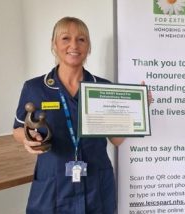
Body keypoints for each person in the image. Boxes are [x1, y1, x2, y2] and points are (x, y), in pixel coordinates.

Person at [13, 16, 131, 214]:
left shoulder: (103, 88)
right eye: (65, 38)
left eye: (81, 39)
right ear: (54, 44)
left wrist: (135, 112)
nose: (74, 45)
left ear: (88, 46)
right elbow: (17, 129)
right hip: (53, 184)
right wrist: (28, 139)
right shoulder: (35, 88)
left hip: (96, 185)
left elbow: (117, 140)